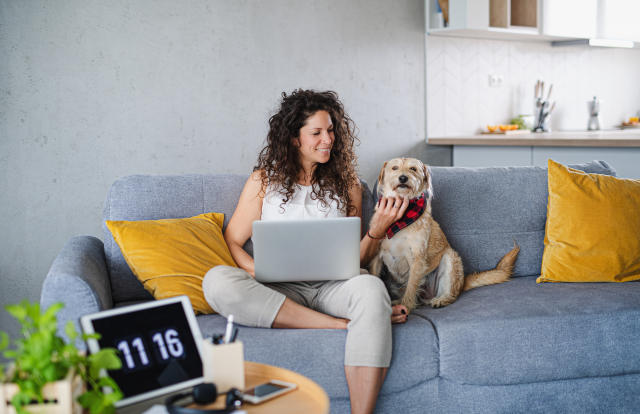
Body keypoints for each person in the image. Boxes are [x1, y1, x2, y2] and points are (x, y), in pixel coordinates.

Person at [202, 89, 409, 414]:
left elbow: (355, 259)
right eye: (317, 133)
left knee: (370, 287)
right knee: (217, 281)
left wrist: (376, 231)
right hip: (279, 290)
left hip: (333, 287)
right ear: (294, 139)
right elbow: (231, 241)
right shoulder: (264, 181)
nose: (328, 139)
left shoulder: (348, 183)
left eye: (331, 130)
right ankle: (340, 324)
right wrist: (254, 270)